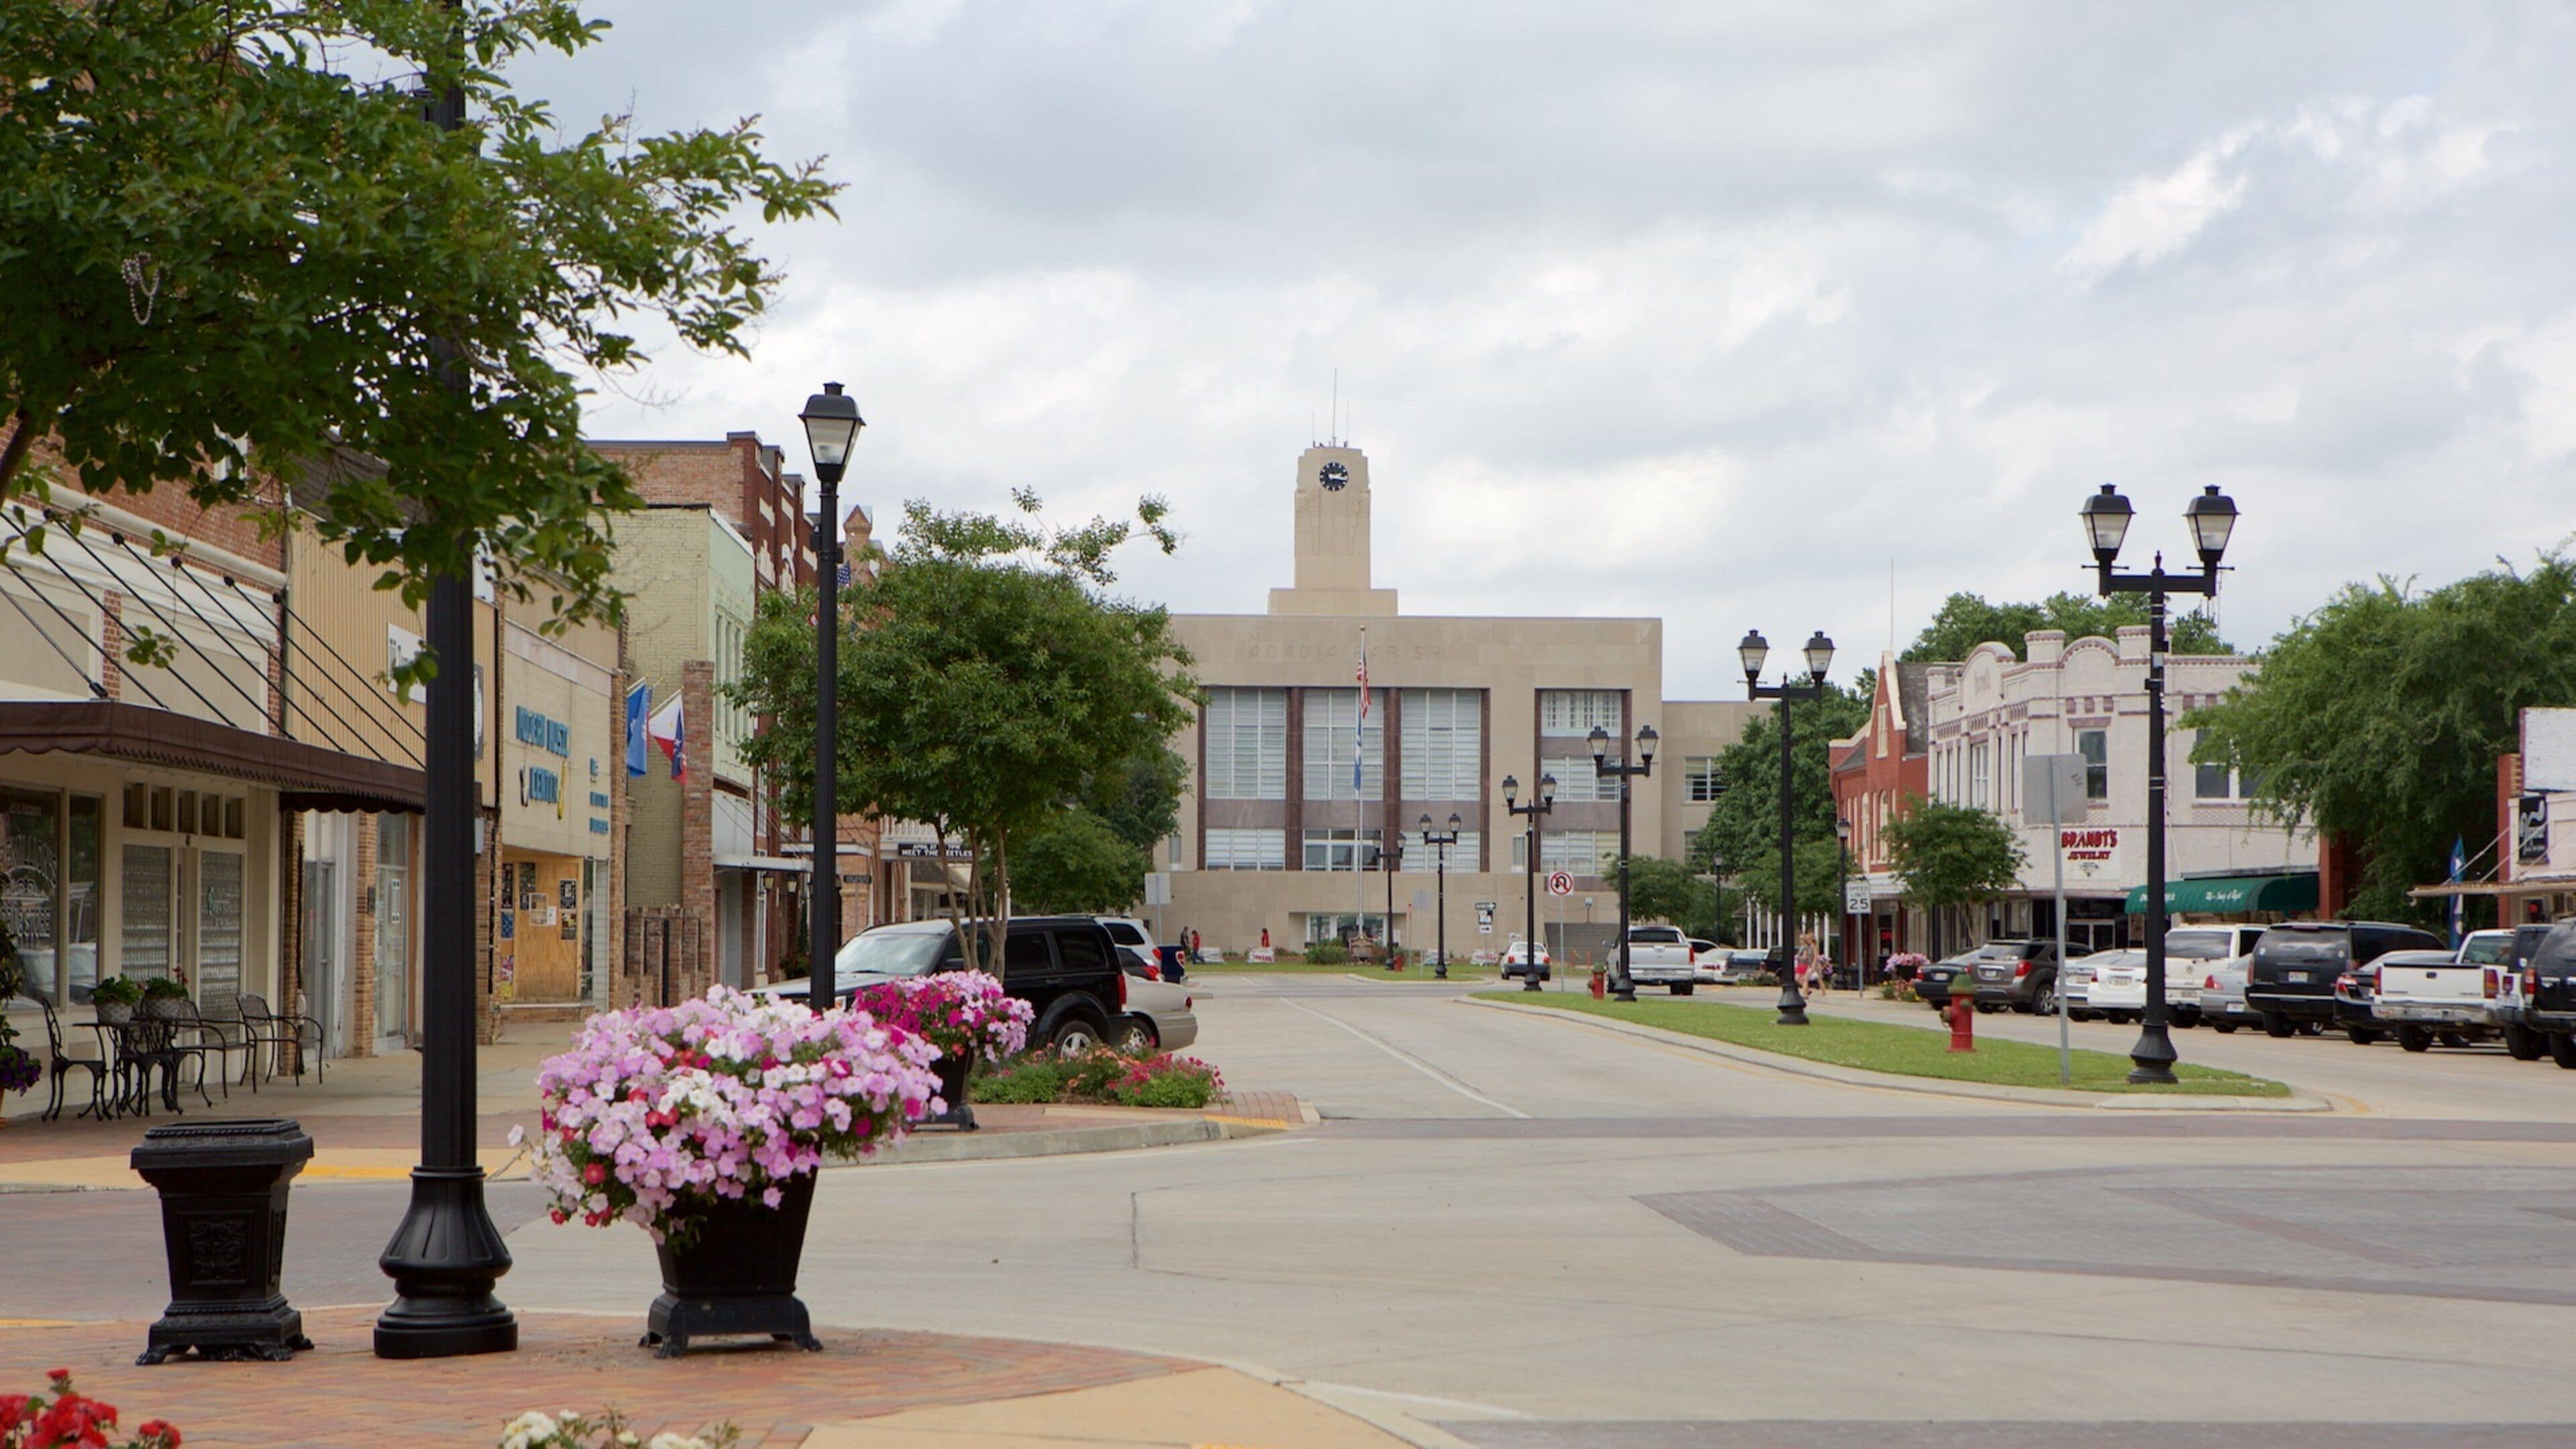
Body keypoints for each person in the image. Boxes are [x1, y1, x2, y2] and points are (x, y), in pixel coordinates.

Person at [1795, 931, 1824, 996]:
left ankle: (1805, 993)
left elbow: (1815, 956)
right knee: (1806, 979)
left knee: (1819, 980)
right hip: (1810, 965)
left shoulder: (1813, 946)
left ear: (1811, 939)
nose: (1807, 940)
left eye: (1808, 939)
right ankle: (1806, 993)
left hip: (1815, 965)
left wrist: (1813, 965)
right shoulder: (1810, 947)